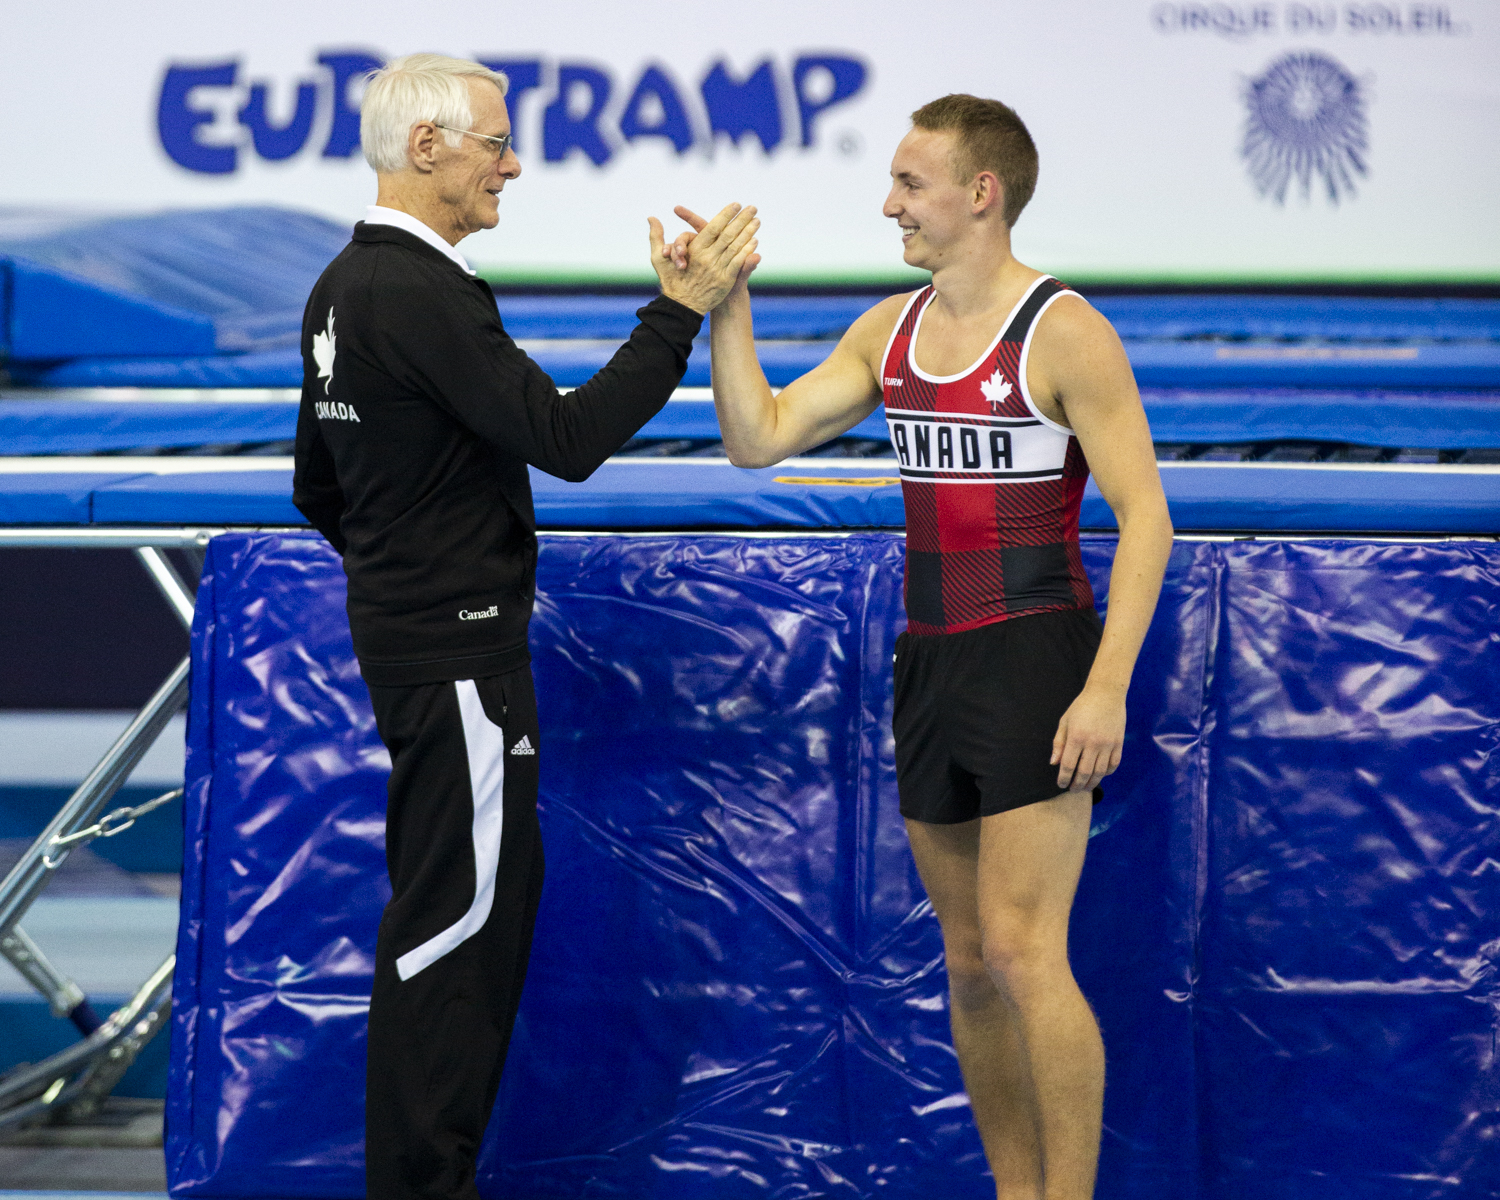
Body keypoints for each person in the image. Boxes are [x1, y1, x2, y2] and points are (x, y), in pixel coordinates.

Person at [669, 94, 1172, 1198]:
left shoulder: (1062, 329)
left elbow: (1147, 516)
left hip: (1038, 657)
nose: (888, 202)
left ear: (979, 194)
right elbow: (758, 440)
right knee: (967, 962)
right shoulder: (888, 330)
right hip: (933, 662)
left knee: (1025, 952)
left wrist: (1105, 688)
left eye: (909, 183)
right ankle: (1014, 1188)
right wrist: (728, 306)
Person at [290, 53, 758, 1200]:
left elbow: (319, 486)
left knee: (453, 920)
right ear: (429, 149)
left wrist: (402, 586)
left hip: (418, 648)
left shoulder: (344, 284)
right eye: (496, 141)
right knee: (458, 940)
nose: (515, 161)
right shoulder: (417, 290)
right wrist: (679, 313)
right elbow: (569, 436)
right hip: (456, 664)